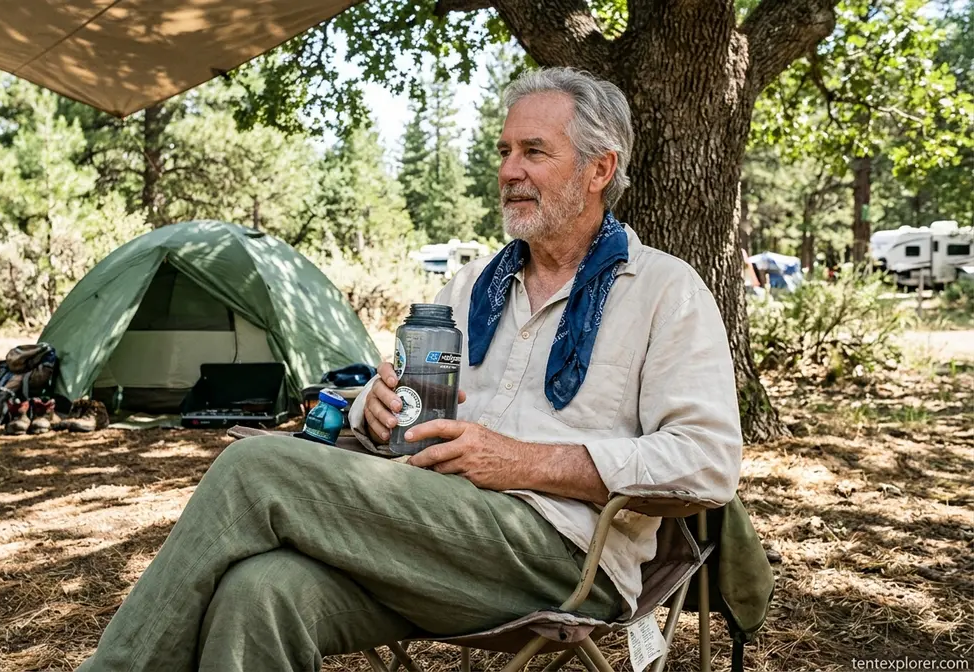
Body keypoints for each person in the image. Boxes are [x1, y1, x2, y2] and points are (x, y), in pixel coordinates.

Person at [76, 67, 743, 672]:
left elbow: (708, 461)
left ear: (600, 169)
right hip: (426, 535)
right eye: (504, 151)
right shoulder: (475, 285)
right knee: (260, 593)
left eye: (534, 152)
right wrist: (374, 404)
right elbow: (399, 391)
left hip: (564, 557)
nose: (510, 171)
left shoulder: (663, 290)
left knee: (254, 468)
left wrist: (523, 461)